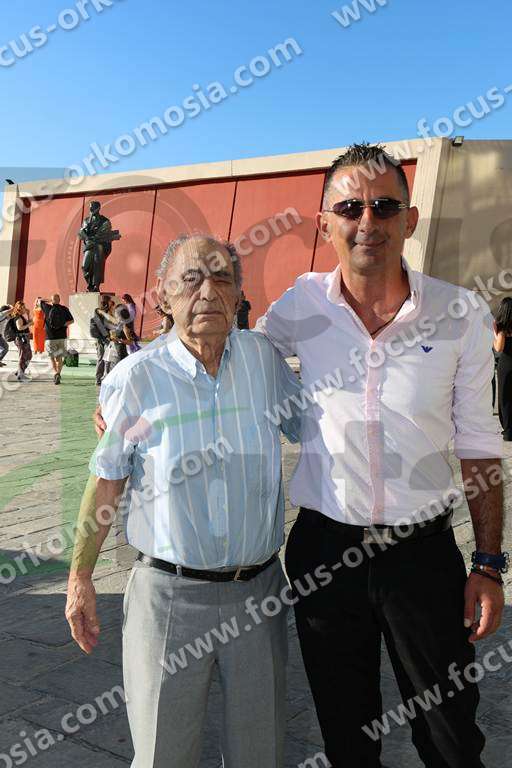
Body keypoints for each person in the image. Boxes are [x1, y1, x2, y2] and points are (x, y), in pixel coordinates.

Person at [256, 143, 506, 768]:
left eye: (385, 206)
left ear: (409, 220)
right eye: (350, 208)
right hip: (324, 552)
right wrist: (136, 392)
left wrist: (488, 564)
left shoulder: (459, 313)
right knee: (347, 739)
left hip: (422, 557)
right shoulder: (301, 304)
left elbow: (480, 446)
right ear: (326, 224)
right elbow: (231, 363)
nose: (368, 221)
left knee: (451, 739)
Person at [65, 234, 301, 768]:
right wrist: (80, 579)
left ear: (238, 294)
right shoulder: (136, 378)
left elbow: (319, 427)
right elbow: (106, 481)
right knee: (162, 754)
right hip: (168, 599)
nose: (207, 292)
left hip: (259, 593)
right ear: (164, 295)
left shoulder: (263, 361)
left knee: (260, 752)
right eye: (191, 279)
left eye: (222, 278)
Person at [40, 294, 74, 385]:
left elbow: (39, 300)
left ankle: (55, 373)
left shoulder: (47, 307)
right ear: (59, 300)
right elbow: (72, 321)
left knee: (52, 358)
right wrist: (62, 324)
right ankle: (58, 373)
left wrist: (50, 300)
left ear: (52, 300)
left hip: (50, 338)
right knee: (59, 358)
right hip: (61, 337)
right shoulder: (64, 309)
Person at [493, 296, 512, 439]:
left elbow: (498, 348)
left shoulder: (503, 328)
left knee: (505, 398)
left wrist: (495, 333)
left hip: (506, 365)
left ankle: (509, 431)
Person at [90, 295, 115, 386]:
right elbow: (100, 325)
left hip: (107, 338)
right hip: (101, 338)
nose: (111, 302)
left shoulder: (108, 311)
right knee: (101, 358)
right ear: (107, 301)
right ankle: (98, 378)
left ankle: (107, 377)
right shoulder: (98, 311)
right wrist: (107, 336)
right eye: (110, 301)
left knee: (108, 358)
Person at [10, 301, 32, 382]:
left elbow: (29, 322)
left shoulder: (21, 316)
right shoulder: (18, 317)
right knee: (23, 356)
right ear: (20, 308)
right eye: (23, 307)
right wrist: (29, 325)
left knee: (29, 355)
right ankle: (21, 374)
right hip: (21, 338)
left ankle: (20, 371)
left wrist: (28, 314)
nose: (25, 309)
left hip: (24, 338)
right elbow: (19, 328)